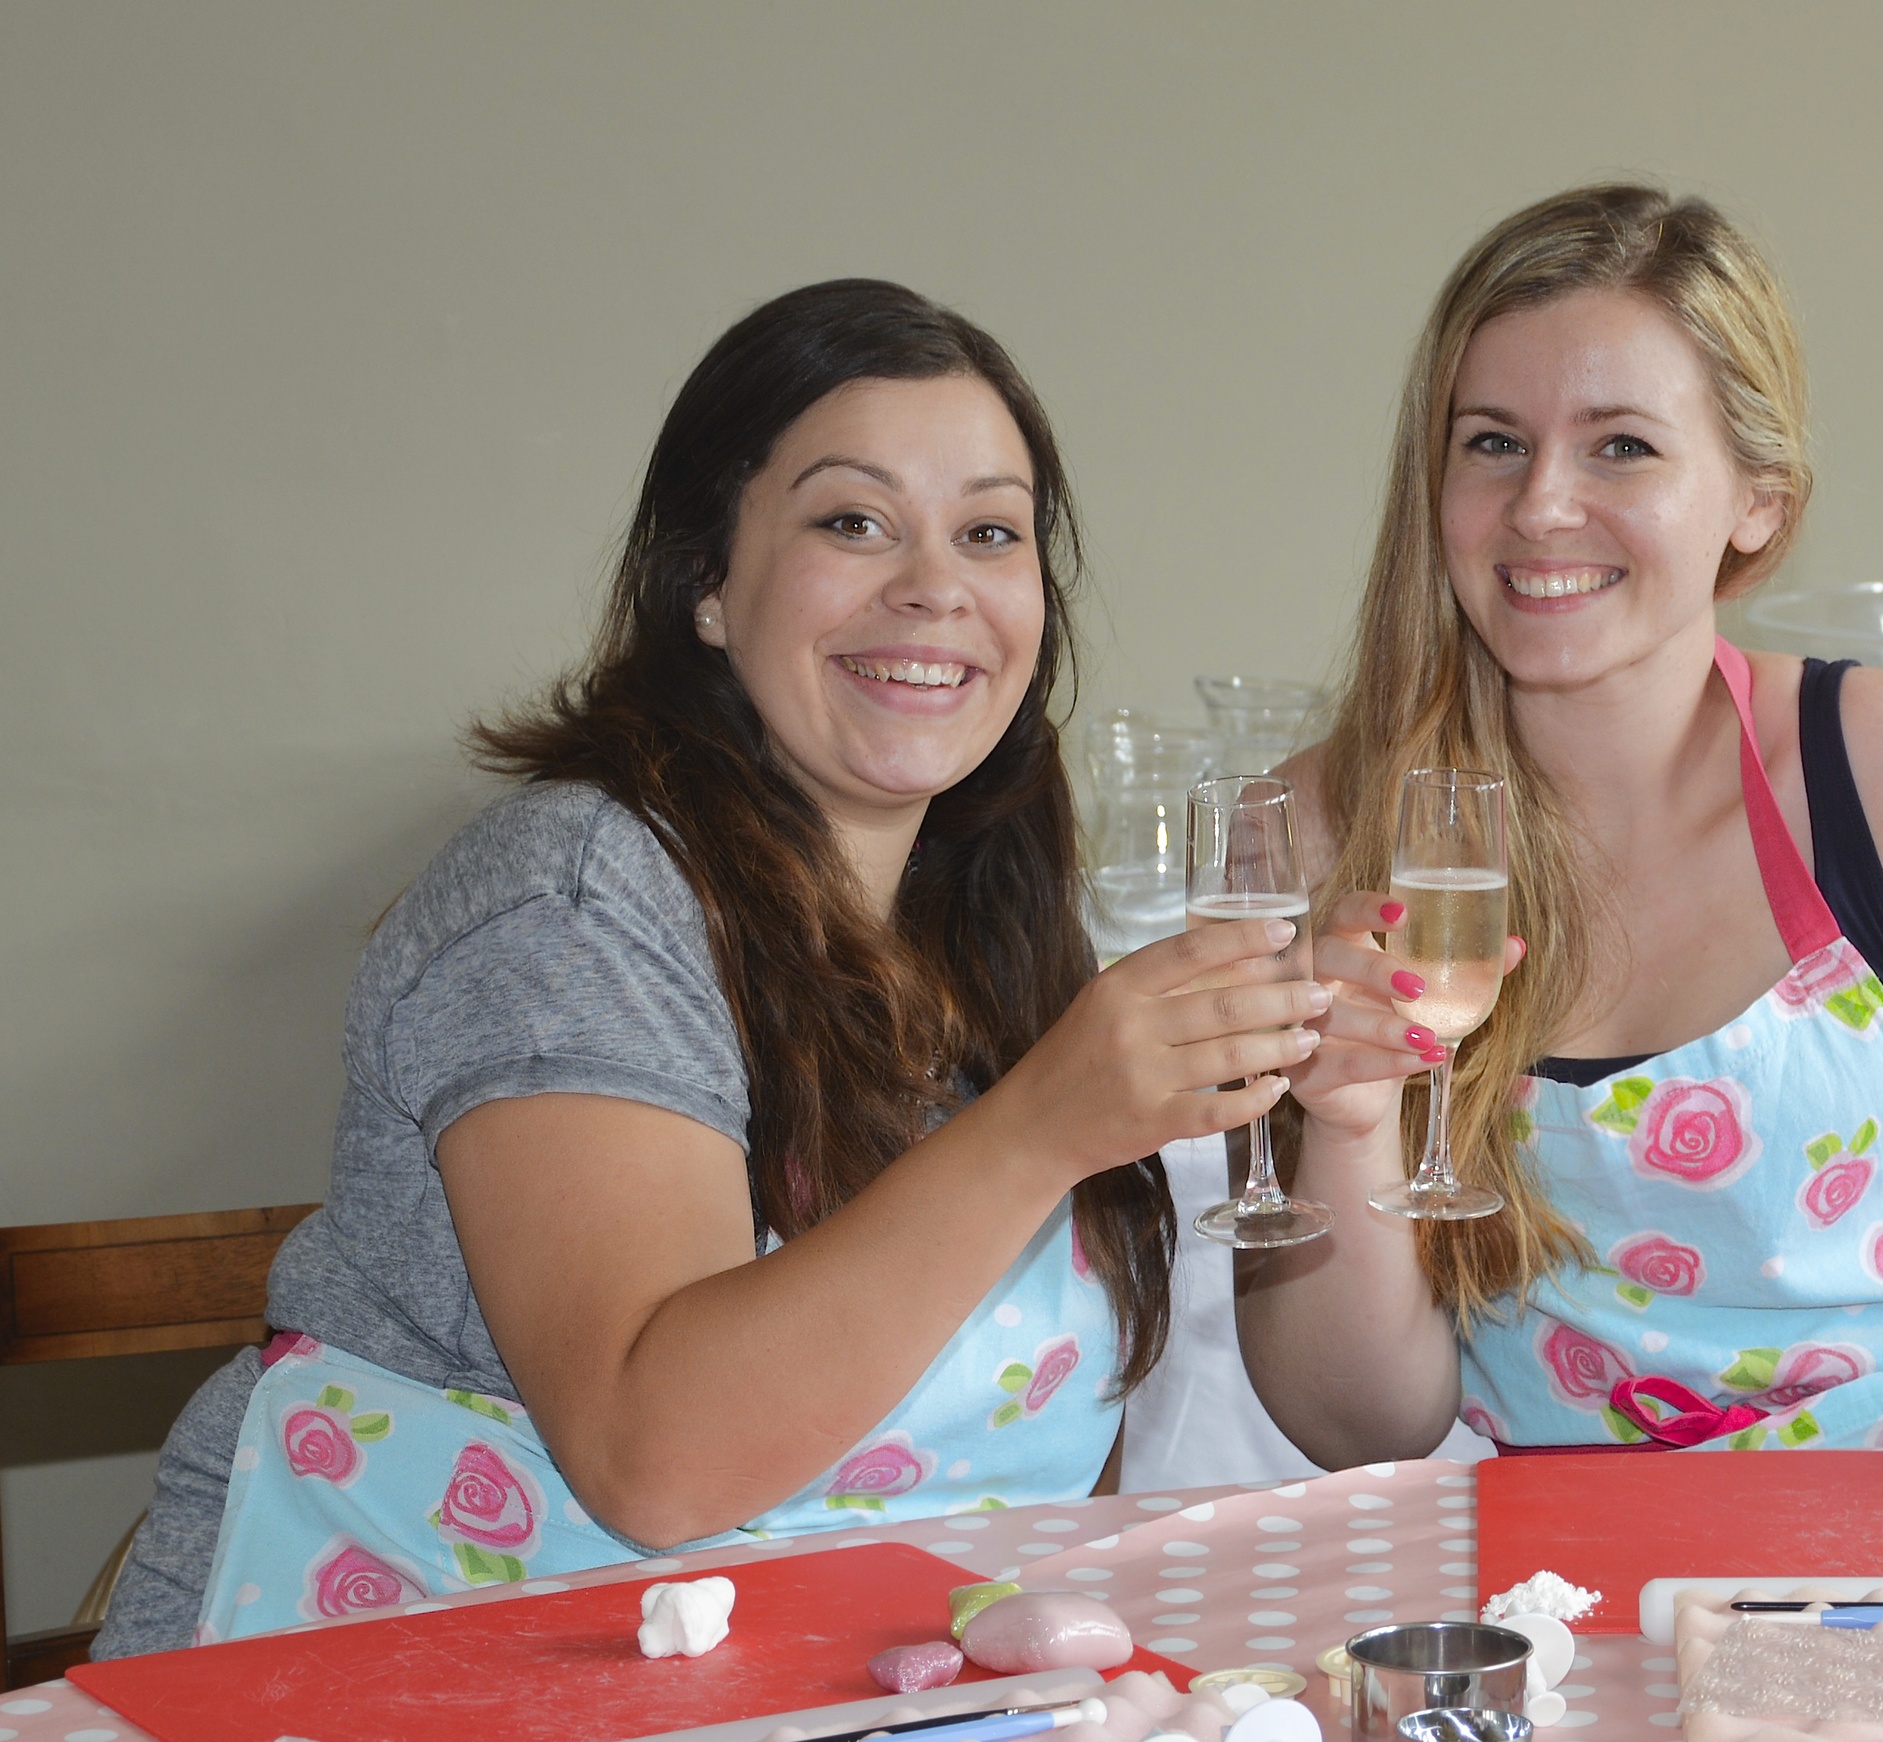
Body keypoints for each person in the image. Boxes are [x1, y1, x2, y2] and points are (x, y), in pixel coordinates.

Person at [97, 280, 1323, 1654]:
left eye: (990, 531)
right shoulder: (575, 895)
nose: (934, 586)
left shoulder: (989, 923)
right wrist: (1040, 1127)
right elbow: (653, 1454)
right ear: (706, 588)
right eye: (852, 521)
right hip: (389, 1679)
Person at [1237, 184, 1883, 1498]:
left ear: (1757, 502)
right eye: (1492, 443)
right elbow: (1361, 1426)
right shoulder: (1329, 830)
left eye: (1620, 446)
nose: (1542, 504)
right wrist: (1339, 1121)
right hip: (1579, 1594)